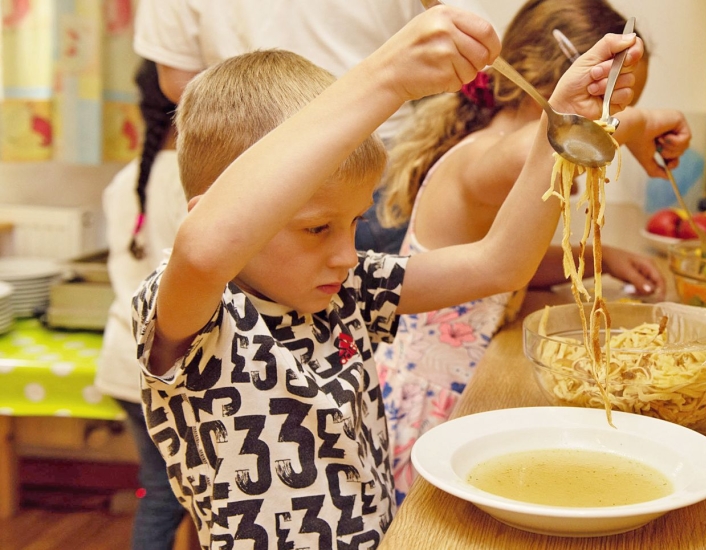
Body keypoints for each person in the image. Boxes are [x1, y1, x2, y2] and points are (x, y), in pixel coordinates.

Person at [131, 6, 644, 546]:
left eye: (354, 223)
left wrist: (557, 124)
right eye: (316, 228)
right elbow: (205, 250)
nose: (346, 254)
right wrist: (386, 78)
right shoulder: (200, 314)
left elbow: (500, 263)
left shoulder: (346, 290)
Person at [376, 0, 689, 504]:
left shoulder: (496, 147)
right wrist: (641, 123)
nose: (617, 119)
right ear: (559, 80)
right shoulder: (484, 158)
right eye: (614, 103)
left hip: (467, 384)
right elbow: (549, 142)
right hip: (434, 407)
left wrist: (598, 257)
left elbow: (499, 276)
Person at [131, 0, 488, 253]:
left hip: (252, 166)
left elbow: (178, 78)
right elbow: (470, 38)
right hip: (378, 157)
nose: (346, 258)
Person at [95, 59, 187, 550]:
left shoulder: (127, 179)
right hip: (163, 366)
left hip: (121, 359)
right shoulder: (196, 181)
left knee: (160, 490)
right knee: (169, 495)